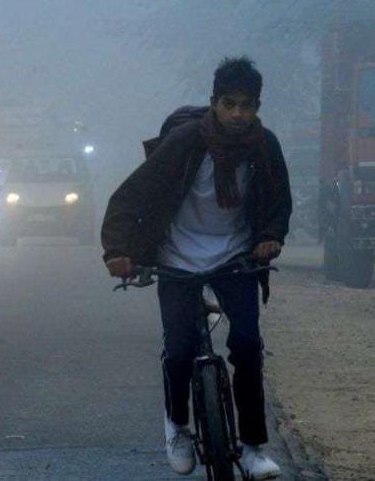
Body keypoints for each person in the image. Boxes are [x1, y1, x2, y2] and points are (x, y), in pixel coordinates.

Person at [101, 57, 291, 479]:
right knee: (180, 349)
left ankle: (254, 447)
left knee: (246, 346)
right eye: (230, 104)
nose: (238, 114)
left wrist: (271, 236)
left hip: (236, 257)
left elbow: (279, 203)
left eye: (247, 106)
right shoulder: (186, 142)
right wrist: (117, 250)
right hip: (176, 259)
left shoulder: (265, 146)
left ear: (257, 106)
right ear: (214, 103)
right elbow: (130, 196)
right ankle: (178, 427)